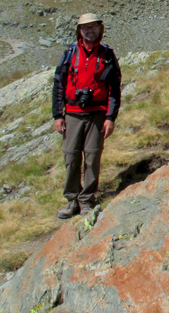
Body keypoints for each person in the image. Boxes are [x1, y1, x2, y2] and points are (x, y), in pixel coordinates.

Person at [51, 13, 122, 220]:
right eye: (85, 28)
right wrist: (58, 115)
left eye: (93, 27)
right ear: (79, 31)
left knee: (92, 158)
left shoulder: (107, 54)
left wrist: (110, 118)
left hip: (97, 115)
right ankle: (72, 200)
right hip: (72, 114)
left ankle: (87, 201)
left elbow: (114, 89)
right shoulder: (70, 53)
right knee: (71, 157)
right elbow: (59, 85)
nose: (89, 31)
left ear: (100, 28)